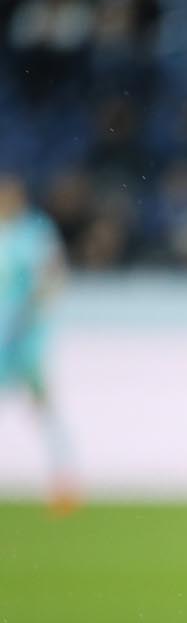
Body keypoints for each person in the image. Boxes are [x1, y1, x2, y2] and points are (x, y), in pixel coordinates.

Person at [0, 171, 76, 513]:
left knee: (42, 406)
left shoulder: (34, 232)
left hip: (25, 338)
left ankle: (63, 477)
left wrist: (32, 315)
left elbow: (52, 276)